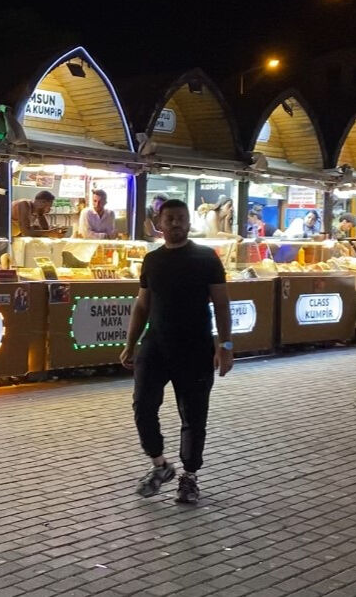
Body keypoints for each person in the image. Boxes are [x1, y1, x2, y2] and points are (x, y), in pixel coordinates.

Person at [120, 199, 233, 504]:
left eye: (181, 218)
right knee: (143, 407)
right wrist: (130, 344)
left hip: (196, 348)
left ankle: (190, 477)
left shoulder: (207, 258)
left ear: (188, 222)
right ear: (159, 222)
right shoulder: (152, 260)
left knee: (194, 417)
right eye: (169, 219)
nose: (175, 224)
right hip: (155, 346)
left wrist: (225, 347)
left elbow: (222, 305)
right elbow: (142, 304)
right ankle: (160, 466)